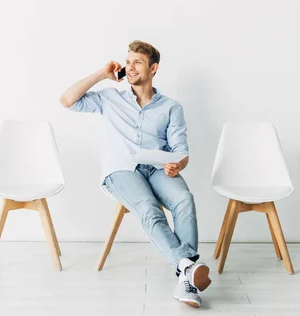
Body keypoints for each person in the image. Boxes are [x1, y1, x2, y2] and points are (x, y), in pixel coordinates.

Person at [60, 40, 210, 307]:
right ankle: (187, 270)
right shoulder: (109, 98)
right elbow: (67, 100)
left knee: (184, 200)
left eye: (137, 62)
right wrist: (101, 74)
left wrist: (178, 164)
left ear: (153, 68)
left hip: (157, 169)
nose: (130, 67)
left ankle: (184, 274)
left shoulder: (171, 107)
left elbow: (181, 151)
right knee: (149, 209)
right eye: (127, 62)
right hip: (121, 171)